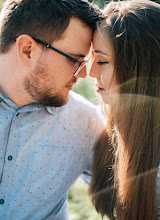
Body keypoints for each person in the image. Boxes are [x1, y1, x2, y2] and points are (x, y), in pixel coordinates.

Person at [0, 0, 105, 219]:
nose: (84, 74)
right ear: (28, 50)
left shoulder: (85, 122)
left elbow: (132, 196)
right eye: (75, 60)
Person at [89, 0, 160, 219]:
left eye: (101, 61)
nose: (90, 71)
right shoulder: (104, 121)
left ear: (139, 67)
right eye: (91, 58)